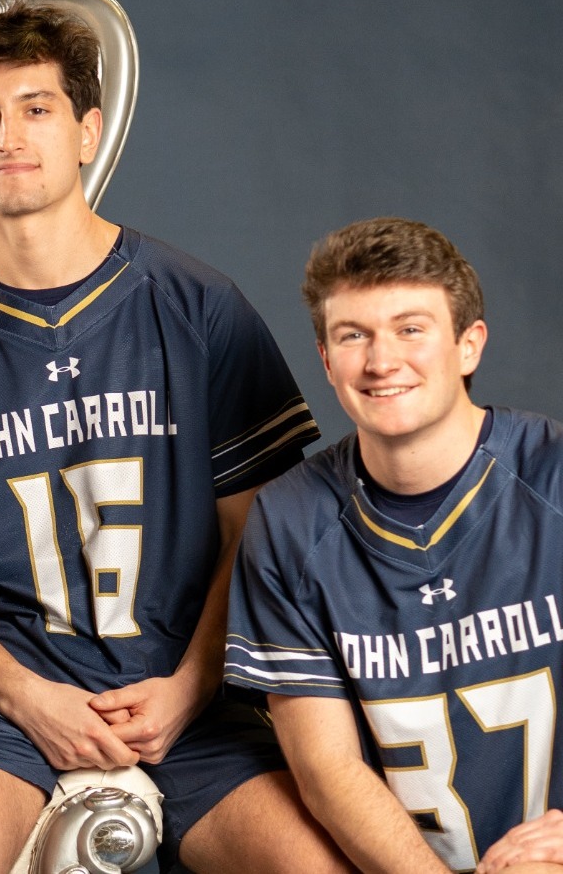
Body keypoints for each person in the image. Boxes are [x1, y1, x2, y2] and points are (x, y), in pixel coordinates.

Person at [0, 3, 349, 873]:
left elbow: (251, 540)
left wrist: (190, 686)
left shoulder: (198, 308)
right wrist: (30, 699)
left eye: (36, 108)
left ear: (88, 132)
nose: (6, 136)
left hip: (179, 686)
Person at [226, 217, 563, 873]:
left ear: (469, 346)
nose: (382, 362)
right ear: (326, 360)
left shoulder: (552, 477)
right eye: (354, 336)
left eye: (411, 329)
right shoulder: (291, 521)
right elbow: (328, 770)